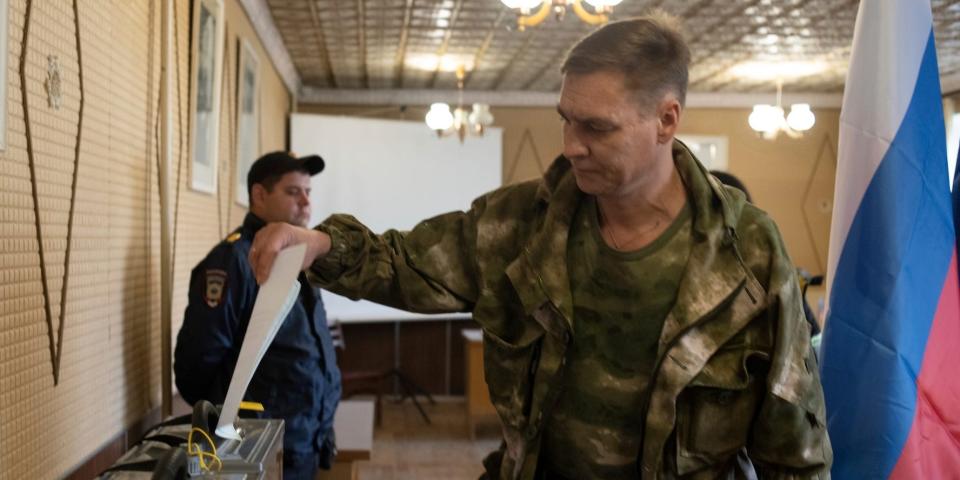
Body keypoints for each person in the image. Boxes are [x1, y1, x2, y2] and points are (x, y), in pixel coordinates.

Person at [247, 12, 831, 480]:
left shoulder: (747, 254)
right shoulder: (522, 223)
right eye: (565, 120)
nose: (571, 146)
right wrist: (320, 243)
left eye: (596, 127)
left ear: (666, 119)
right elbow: (406, 261)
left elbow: (793, 445)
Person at [174, 151, 341, 480]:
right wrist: (238, 422)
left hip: (304, 437)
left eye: (309, 192)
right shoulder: (235, 260)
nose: (306, 203)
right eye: (293, 192)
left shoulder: (298, 255)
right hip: (259, 446)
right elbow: (197, 365)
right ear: (259, 195)